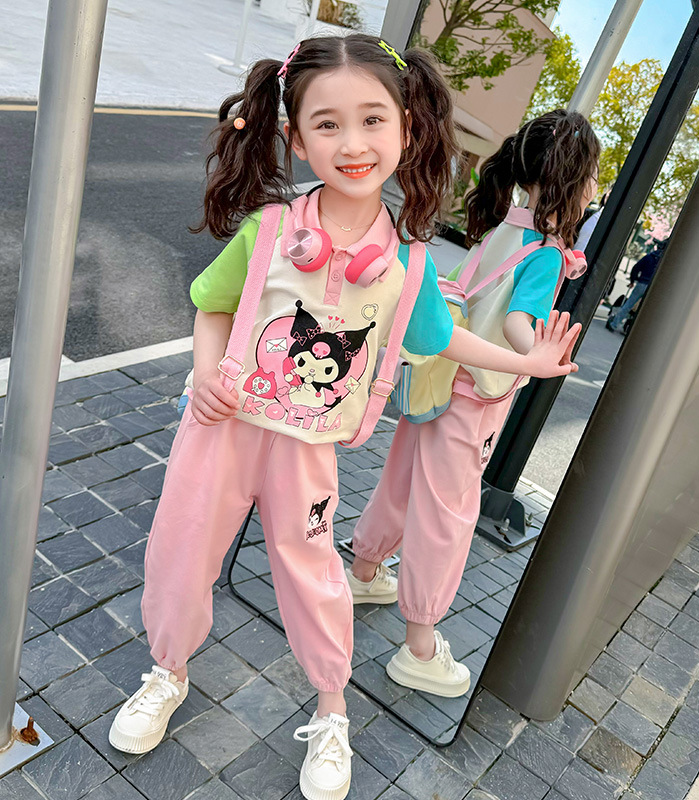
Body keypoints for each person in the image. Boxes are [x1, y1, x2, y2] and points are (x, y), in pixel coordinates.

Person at [105, 36, 580, 800]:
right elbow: (211, 306)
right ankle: (168, 671)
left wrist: (529, 364)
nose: (352, 143)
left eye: (372, 119)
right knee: (180, 552)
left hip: (308, 449)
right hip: (222, 430)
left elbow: (440, 338)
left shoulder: (410, 265)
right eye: (327, 124)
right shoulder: (268, 230)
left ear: (408, 128)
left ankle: (332, 708)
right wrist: (207, 372)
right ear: (296, 138)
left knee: (315, 574)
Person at [346, 109, 600, 698]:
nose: (594, 186)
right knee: (449, 515)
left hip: (434, 381)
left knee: (401, 482)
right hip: (473, 400)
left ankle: (365, 570)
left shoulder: (499, 232)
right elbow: (516, 324)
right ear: (569, 179)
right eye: (591, 174)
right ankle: (419, 648)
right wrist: (540, 355)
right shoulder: (544, 254)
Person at [607, 237, 669, 333]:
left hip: (642, 283)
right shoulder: (665, 261)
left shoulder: (649, 257)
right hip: (653, 287)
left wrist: (633, 280)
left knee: (628, 305)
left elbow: (636, 268)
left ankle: (614, 324)